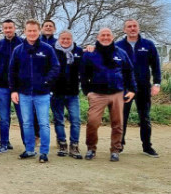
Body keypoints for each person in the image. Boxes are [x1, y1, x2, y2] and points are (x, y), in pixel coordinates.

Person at [81, 28, 136, 162]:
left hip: (117, 93)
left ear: (112, 37)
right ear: (98, 37)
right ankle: (91, 148)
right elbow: (83, 74)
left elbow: (129, 73)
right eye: (103, 35)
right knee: (93, 122)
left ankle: (115, 150)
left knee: (117, 123)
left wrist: (132, 90)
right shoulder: (90, 54)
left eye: (108, 35)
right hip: (97, 94)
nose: (105, 37)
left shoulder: (121, 53)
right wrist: (87, 91)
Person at [9, 19, 60, 163]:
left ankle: (44, 152)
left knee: (43, 123)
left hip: (42, 94)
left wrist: (45, 81)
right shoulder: (18, 50)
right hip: (24, 93)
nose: (32, 33)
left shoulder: (47, 49)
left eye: (34, 31)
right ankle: (30, 149)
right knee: (27, 123)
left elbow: (55, 67)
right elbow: (12, 71)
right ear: (25, 32)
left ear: (39, 31)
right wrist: (13, 90)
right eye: (29, 31)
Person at [116, 19, 162, 157]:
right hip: (125, 88)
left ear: (139, 28)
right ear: (124, 30)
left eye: (134, 26)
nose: (132, 28)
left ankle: (147, 147)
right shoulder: (118, 46)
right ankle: (119, 146)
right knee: (121, 117)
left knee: (145, 118)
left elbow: (156, 66)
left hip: (143, 87)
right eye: (129, 26)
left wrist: (157, 84)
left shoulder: (148, 45)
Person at [0, 19, 25, 154]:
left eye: (10, 28)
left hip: (20, 87)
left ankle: (28, 145)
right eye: (5, 28)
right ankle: (4, 143)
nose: (8, 30)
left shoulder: (23, 43)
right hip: (2, 87)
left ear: (14, 28)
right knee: (4, 118)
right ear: (2, 30)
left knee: (23, 118)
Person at [51, 30, 83, 159]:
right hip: (56, 92)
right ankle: (62, 144)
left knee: (75, 120)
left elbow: (85, 69)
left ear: (72, 39)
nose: (65, 41)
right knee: (59, 120)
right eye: (63, 38)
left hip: (73, 92)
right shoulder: (52, 51)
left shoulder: (79, 51)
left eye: (68, 38)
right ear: (59, 39)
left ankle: (74, 146)